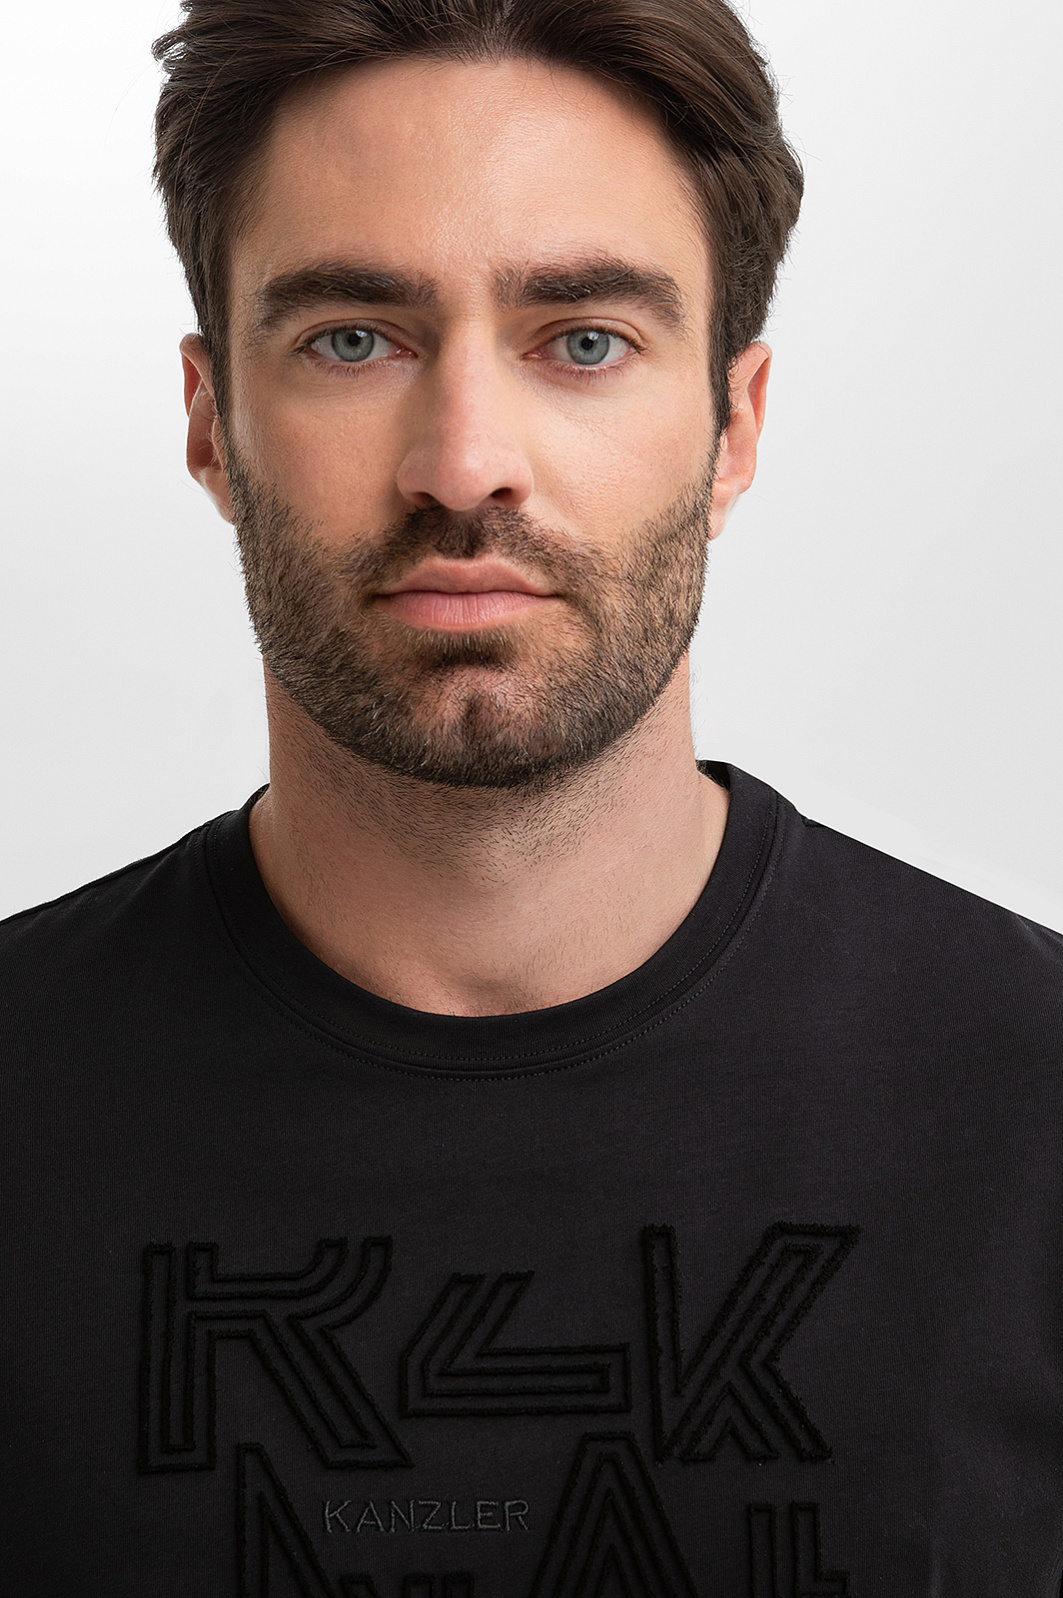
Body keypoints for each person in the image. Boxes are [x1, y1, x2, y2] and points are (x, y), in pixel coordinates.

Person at [1, 0, 1060, 1591]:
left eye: (583, 340)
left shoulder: (1035, 1102)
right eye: (353, 337)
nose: (465, 461)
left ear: (734, 429)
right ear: (213, 424)